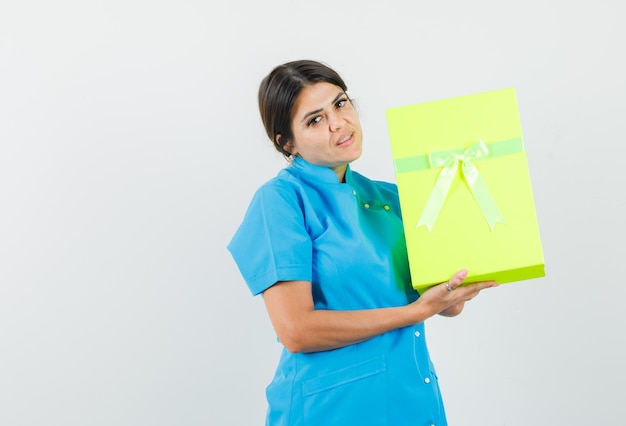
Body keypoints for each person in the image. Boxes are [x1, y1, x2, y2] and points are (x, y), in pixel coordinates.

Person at [227, 59, 498, 426]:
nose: (338, 123)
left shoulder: (393, 197)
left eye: (340, 103)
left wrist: (457, 283)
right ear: (286, 142)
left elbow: (445, 305)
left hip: (412, 401)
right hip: (332, 410)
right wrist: (417, 311)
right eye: (314, 119)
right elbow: (297, 331)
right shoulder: (280, 201)